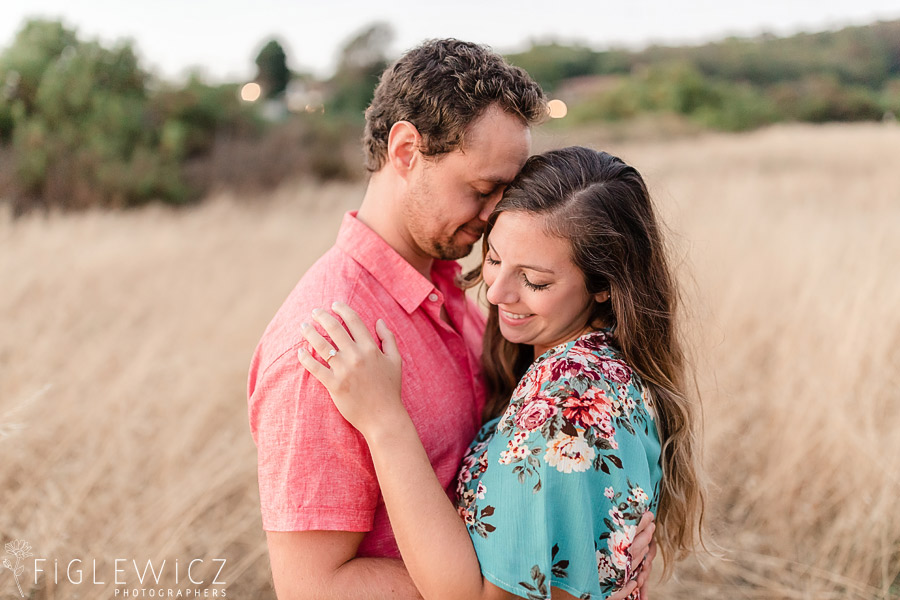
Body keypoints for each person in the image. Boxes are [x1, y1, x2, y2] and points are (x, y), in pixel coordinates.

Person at [248, 40, 655, 600]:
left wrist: (591, 543)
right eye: (483, 190)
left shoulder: (459, 287)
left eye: (505, 193)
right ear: (407, 150)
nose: (496, 216)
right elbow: (312, 587)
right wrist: (505, 587)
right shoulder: (328, 343)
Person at [297, 146, 704, 599]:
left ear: (605, 284)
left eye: (535, 280)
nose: (496, 293)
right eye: (494, 259)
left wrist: (383, 421)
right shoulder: (602, 363)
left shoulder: (567, 402)